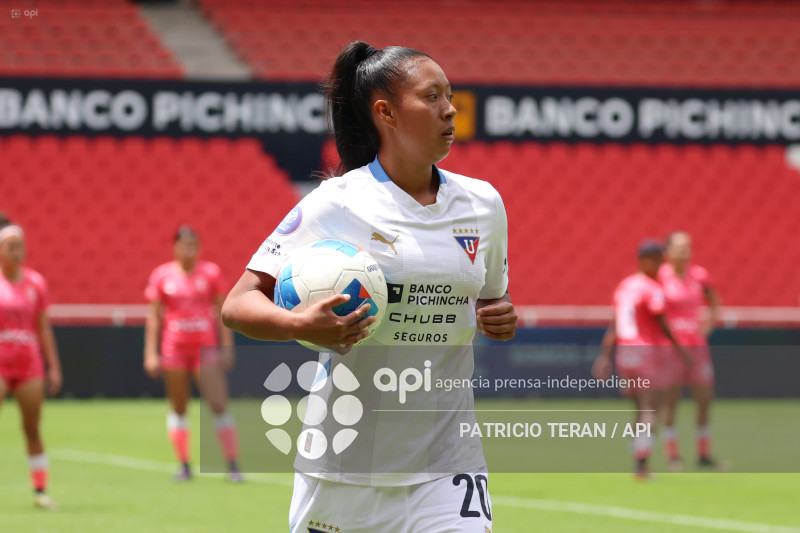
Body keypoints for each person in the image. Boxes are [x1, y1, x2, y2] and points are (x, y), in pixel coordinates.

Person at [222, 41, 516, 532]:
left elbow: (491, 296)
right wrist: (299, 324)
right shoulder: (337, 203)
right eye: (432, 97)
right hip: (345, 468)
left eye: (450, 95)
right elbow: (238, 304)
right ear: (386, 113)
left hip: (449, 465)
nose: (450, 109)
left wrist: (500, 313)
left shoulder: (483, 203)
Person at [144, 225, 241, 482]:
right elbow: (154, 316)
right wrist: (150, 353)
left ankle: (232, 464)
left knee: (218, 403)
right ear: (175, 247)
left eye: (193, 245)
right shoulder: (162, 275)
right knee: (179, 406)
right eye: (184, 244)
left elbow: (223, 312)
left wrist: (227, 346)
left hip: (205, 349)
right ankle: (184, 465)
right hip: (174, 349)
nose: (189, 249)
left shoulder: (210, 273)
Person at [593, 240, 690, 479]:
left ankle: (638, 457)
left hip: (625, 353)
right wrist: (682, 351)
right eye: (655, 259)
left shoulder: (625, 286)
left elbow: (615, 326)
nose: (659, 264)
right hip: (646, 353)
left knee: (639, 409)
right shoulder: (652, 288)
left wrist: (605, 356)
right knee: (650, 409)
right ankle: (642, 463)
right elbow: (661, 322)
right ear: (645, 260)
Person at [0, 219, 62, 509]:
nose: (16, 251)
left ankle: (40, 490)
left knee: (33, 427)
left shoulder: (35, 283)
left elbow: (43, 327)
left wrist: (54, 366)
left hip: (28, 363)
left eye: (20, 246)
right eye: (10, 246)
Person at [658, 231, 721, 470]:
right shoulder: (661, 277)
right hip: (670, 348)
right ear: (668, 251)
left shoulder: (699, 276)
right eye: (679, 247)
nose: (685, 252)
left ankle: (704, 454)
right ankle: (673, 456)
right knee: (671, 402)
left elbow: (714, 302)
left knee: (704, 399)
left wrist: (705, 328)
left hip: (696, 346)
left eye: (688, 247)